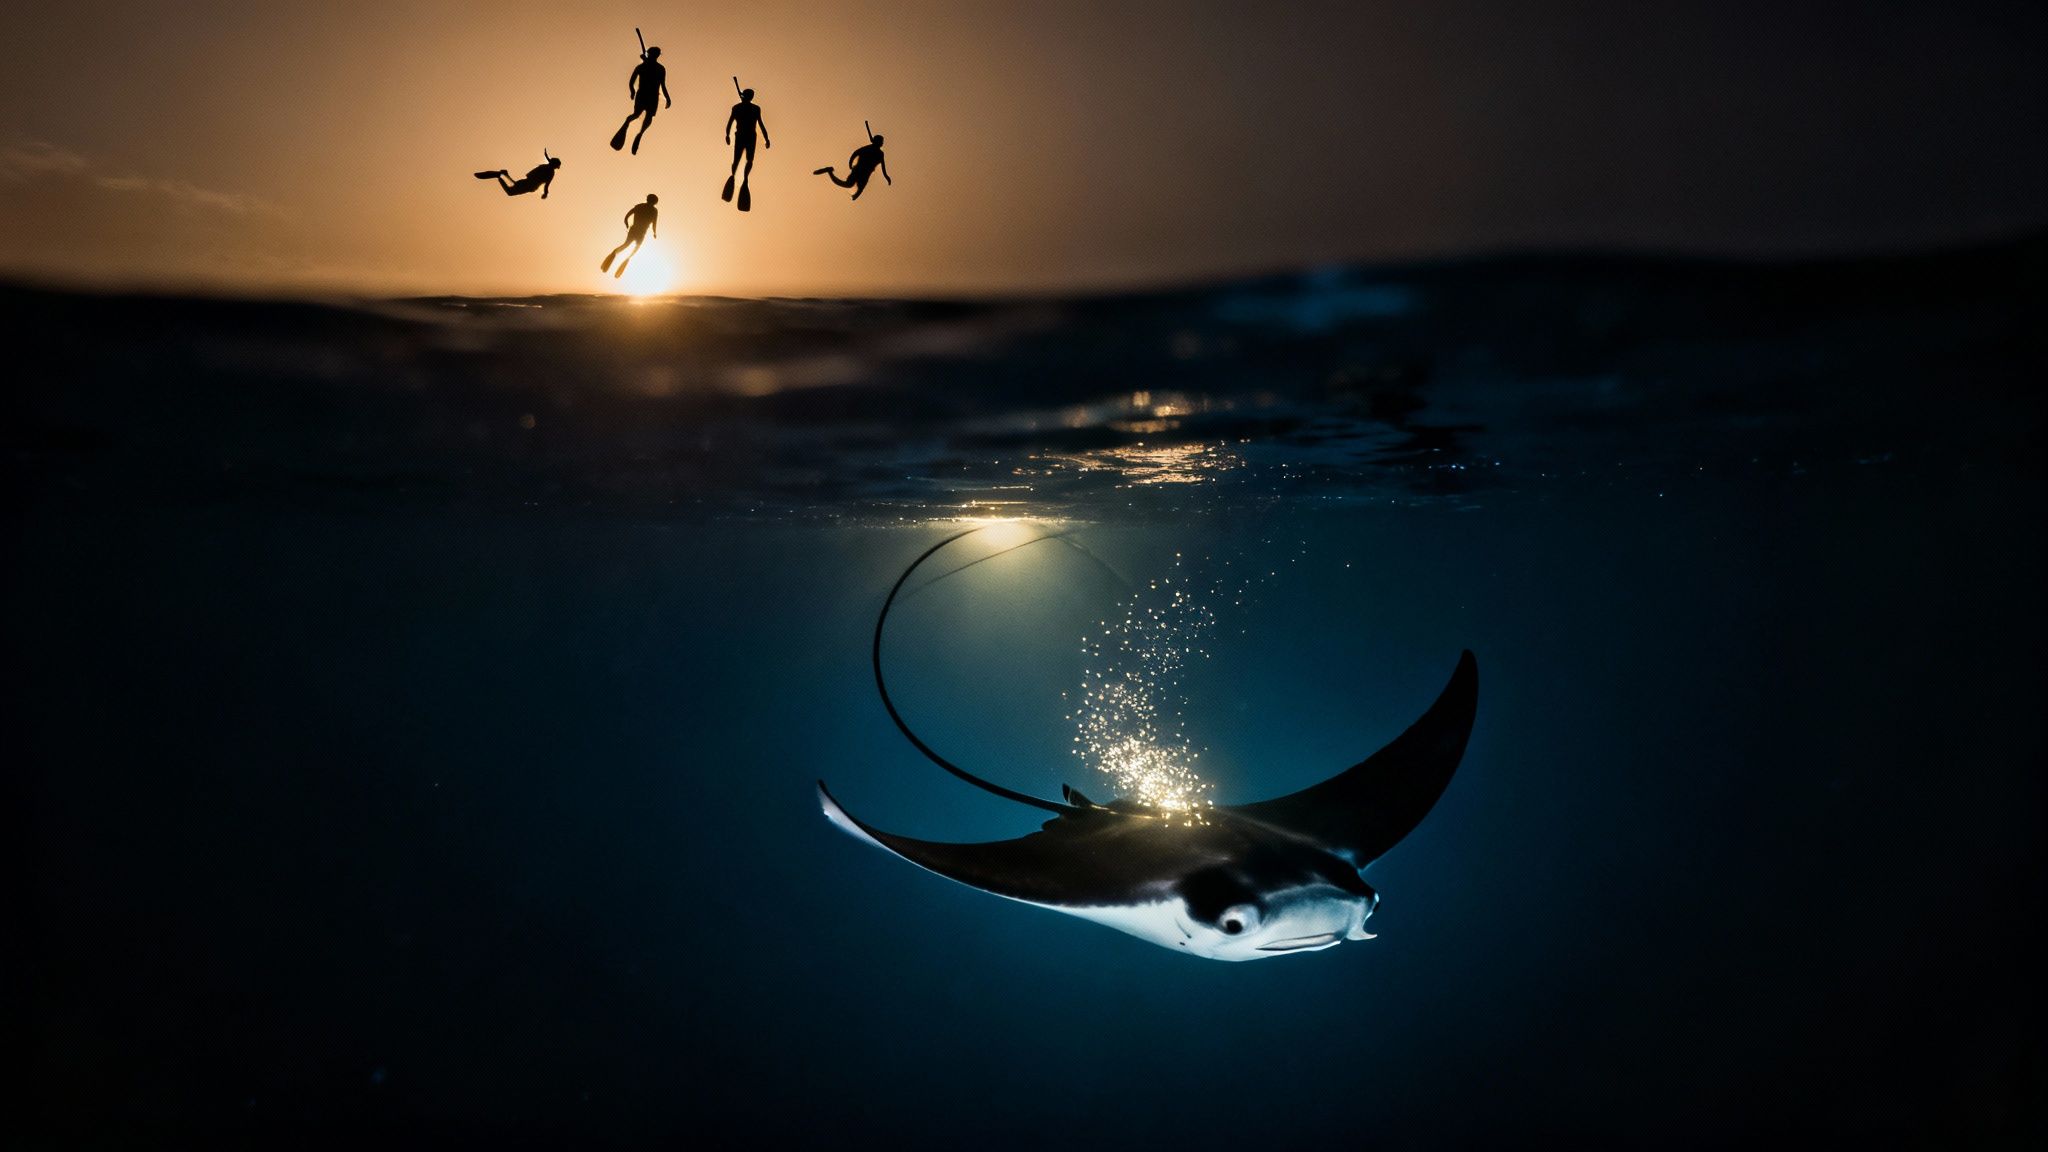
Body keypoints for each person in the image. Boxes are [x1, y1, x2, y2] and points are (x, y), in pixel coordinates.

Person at [612, 46, 670, 154]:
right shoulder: (642, 67)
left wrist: (668, 98)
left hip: (652, 96)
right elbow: (631, 81)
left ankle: (639, 134)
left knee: (646, 117)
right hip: (644, 95)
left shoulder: (658, 69)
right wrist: (632, 91)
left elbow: (662, 85)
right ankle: (629, 124)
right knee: (637, 115)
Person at [723, 88, 770, 200]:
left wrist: (767, 139)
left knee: (743, 160)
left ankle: (743, 178)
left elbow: (761, 124)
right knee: (741, 160)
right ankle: (738, 177)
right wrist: (727, 135)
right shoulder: (748, 108)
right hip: (744, 137)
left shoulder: (743, 108)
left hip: (746, 137)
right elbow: (730, 122)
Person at [813, 134, 890, 200]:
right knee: (849, 185)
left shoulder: (880, 154)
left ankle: (830, 172)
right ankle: (829, 171)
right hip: (859, 170)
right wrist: (850, 162)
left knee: (857, 189)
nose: (882, 143)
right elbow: (856, 153)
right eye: (881, 141)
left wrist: (886, 177)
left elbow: (883, 167)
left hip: (865, 174)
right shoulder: (868, 149)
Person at [600, 194, 660, 277]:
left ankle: (613, 255)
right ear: (655, 202)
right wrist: (654, 232)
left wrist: (627, 223)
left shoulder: (639, 206)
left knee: (626, 245)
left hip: (634, 230)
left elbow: (627, 216)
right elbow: (654, 223)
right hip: (641, 233)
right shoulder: (654, 211)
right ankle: (623, 259)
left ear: (647, 199)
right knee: (634, 250)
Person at [474, 152, 560, 198]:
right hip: (530, 186)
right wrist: (545, 194)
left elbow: (550, 162)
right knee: (510, 192)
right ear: (555, 166)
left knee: (513, 186)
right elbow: (546, 185)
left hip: (528, 182)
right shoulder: (550, 173)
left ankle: (504, 175)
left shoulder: (546, 166)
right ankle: (501, 175)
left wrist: (547, 157)